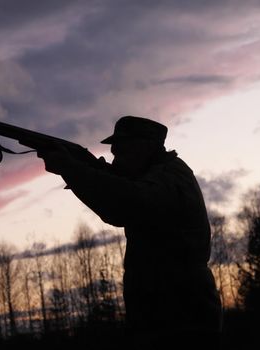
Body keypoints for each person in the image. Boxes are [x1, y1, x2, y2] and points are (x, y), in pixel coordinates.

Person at [37, 116, 223, 349]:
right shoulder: (158, 174)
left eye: (122, 152)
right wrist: (82, 167)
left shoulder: (170, 177)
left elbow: (126, 204)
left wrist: (72, 167)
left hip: (183, 319)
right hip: (163, 316)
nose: (116, 160)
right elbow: (121, 190)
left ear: (144, 147)